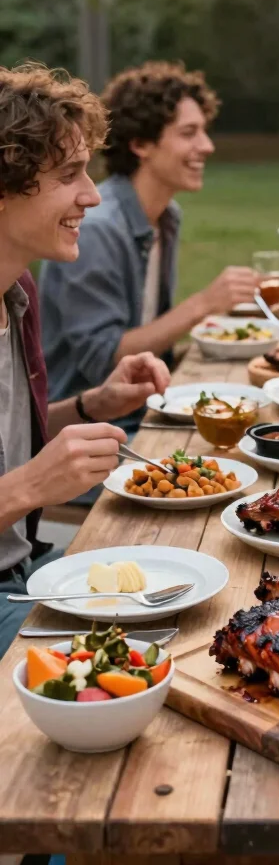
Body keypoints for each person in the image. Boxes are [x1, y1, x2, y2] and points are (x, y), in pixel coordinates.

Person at [0, 63, 170, 656]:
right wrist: (28, 487)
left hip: (28, 570)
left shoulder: (18, 297)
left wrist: (94, 404)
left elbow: (15, 442)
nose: (92, 196)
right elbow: (21, 477)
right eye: (69, 174)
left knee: (190, 575)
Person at [39, 61, 258, 434]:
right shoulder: (97, 228)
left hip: (147, 412)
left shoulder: (166, 216)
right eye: (189, 133)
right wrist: (203, 304)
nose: (206, 146)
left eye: (204, 131)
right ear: (141, 143)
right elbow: (104, 361)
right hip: (96, 435)